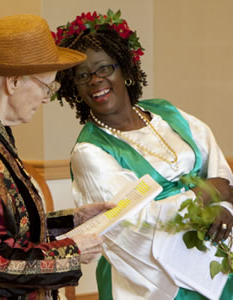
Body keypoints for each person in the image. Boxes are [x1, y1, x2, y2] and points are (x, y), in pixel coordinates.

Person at [52, 9, 233, 300]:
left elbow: (219, 170)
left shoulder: (165, 112)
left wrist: (226, 207)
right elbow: (132, 222)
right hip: (152, 280)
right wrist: (206, 195)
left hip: (214, 255)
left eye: (105, 68)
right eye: (82, 76)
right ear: (74, 89)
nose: (95, 80)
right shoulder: (89, 151)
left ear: (124, 68)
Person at [0, 14, 115, 300]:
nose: (46, 98)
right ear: (14, 82)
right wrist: (72, 251)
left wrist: (72, 221)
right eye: (46, 87)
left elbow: (3, 224)